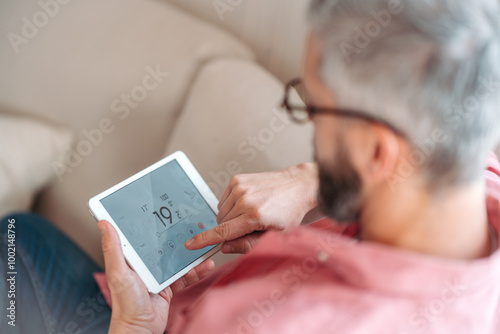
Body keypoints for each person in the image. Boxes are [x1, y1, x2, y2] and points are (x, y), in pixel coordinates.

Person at [2, 0, 500, 333]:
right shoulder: (477, 189)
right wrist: (309, 181)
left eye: (314, 106)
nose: (310, 128)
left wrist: (135, 327)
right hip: (170, 301)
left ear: (376, 153)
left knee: (13, 241)